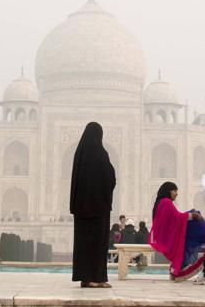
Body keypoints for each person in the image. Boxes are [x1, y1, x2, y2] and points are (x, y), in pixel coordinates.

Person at [70, 122, 116, 288]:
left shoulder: (80, 153)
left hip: (81, 209)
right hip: (98, 209)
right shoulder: (100, 153)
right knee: (97, 244)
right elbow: (110, 178)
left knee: (83, 245)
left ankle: (85, 278)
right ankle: (97, 278)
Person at [149, 182, 205, 282]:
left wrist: (191, 215)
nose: (176, 193)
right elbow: (176, 218)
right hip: (168, 236)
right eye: (174, 191)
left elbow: (173, 219)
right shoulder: (166, 202)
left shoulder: (161, 202)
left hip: (166, 235)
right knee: (195, 217)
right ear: (168, 191)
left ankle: (175, 270)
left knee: (192, 218)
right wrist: (193, 215)